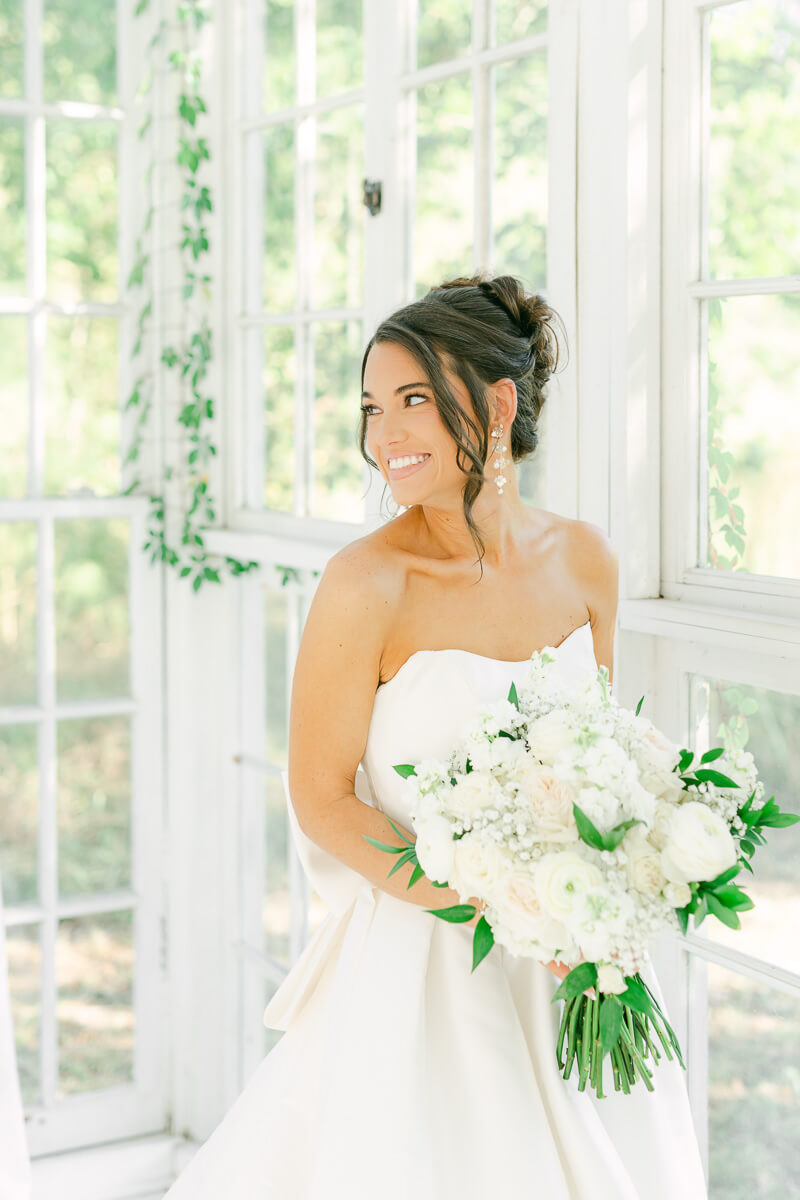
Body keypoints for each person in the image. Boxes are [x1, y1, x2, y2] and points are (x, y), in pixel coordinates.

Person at [163, 272, 707, 1198]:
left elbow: (597, 763)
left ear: (498, 403)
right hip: (428, 967)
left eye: (412, 399)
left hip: (578, 962)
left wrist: (595, 899)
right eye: (373, 408)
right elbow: (324, 798)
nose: (384, 437)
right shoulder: (364, 583)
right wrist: (493, 898)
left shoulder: (586, 560)